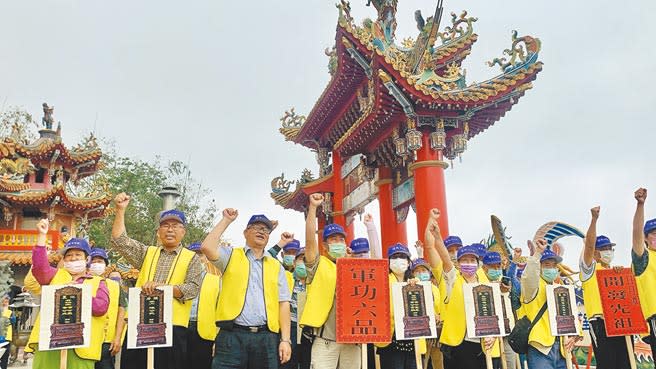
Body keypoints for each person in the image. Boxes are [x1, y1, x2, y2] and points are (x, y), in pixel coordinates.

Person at [111, 192, 203, 369]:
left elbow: (192, 289)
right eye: (165, 225)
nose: (170, 229)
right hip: (141, 324)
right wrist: (120, 210)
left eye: (176, 226)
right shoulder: (147, 253)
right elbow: (119, 241)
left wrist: (164, 289)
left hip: (173, 329)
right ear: (158, 232)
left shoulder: (192, 258)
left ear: (183, 231)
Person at [201, 209, 292, 369]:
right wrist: (226, 220)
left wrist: (285, 340)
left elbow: (283, 303)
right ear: (245, 232)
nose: (261, 231)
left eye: (265, 229)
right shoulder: (230, 255)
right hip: (232, 336)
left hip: (266, 338)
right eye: (256, 227)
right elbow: (207, 247)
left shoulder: (276, 265)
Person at [27, 218, 109, 369]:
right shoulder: (55, 275)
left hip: (81, 348)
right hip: (50, 343)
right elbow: (39, 268)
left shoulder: (98, 282)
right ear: (63, 260)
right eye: (69, 256)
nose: (73, 258)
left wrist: (78, 293)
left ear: (87, 260)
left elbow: (100, 308)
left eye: (78, 255)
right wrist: (41, 236)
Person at [428, 210, 497, 369]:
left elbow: (494, 313)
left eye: (472, 260)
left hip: (482, 343)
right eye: (465, 260)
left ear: (478, 263)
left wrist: (493, 335)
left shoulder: (485, 282)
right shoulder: (454, 279)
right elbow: (445, 259)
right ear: (459, 263)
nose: (469, 263)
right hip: (459, 344)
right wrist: (438, 237)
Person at [302, 193, 361, 369]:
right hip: (325, 338)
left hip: (352, 337)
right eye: (333, 239)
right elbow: (309, 240)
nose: (338, 242)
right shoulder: (318, 264)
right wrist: (313, 208)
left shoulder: (354, 268)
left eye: (341, 239)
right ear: (325, 246)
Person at [580, 206, 632, 369]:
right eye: (603, 249)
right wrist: (594, 220)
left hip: (622, 322)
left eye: (610, 248)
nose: (608, 251)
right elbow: (588, 246)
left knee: (626, 363)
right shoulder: (589, 269)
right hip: (601, 323)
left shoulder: (616, 272)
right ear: (595, 253)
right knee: (608, 364)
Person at [521, 239, 578, 369]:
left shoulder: (560, 287)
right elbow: (529, 277)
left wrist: (574, 336)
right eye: (547, 265)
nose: (551, 269)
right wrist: (537, 255)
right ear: (539, 267)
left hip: (563, 348)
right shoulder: (532, 288)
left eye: (554, 266)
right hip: (540, 348)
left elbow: (571, 314)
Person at [376, 243, 418, 369]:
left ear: (408, 261)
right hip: (391, 339)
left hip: (413, 340)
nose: (399, 260)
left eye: (402, 257)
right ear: (388, 261)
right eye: (394, 257)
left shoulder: (415, 282)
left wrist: (417, 287)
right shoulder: (382, 280)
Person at [88, 248, 125, 369]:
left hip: (107, 341)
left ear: (105, 265)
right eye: (93, 261)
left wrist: (118, 338)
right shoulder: (81, 282)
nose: (96, 264)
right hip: (86, 340)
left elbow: (121, 312)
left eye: (100, 261)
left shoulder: (115, 286)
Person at [187, 242, 220, 369]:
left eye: (200, 255)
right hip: (181, 330)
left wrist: (218, 339)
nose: (197, 258)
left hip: (206, 333)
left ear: (206, 259)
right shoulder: (178, 280)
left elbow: (220, 312)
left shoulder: (216, 281)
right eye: (193, 255)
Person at [632, 187, 656, 357]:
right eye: (654, 234)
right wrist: (641, 205)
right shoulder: (644, 258)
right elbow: (636, 234)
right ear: (646, 238)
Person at [482, 252, 516, 369]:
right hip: (489, 334)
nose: (496, 270)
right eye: (492, 267)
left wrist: (507, 289)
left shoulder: (506, 282)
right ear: (484, 267)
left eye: (498, 267)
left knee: (510, 364)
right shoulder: (479, 284)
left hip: (507, 332)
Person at [0, 296, 13, 369]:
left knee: (5, 357)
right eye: (3, 302)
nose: (5, 303)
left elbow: (13, 321)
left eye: (6, 302)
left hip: (7, 337)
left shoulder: (10, 312)